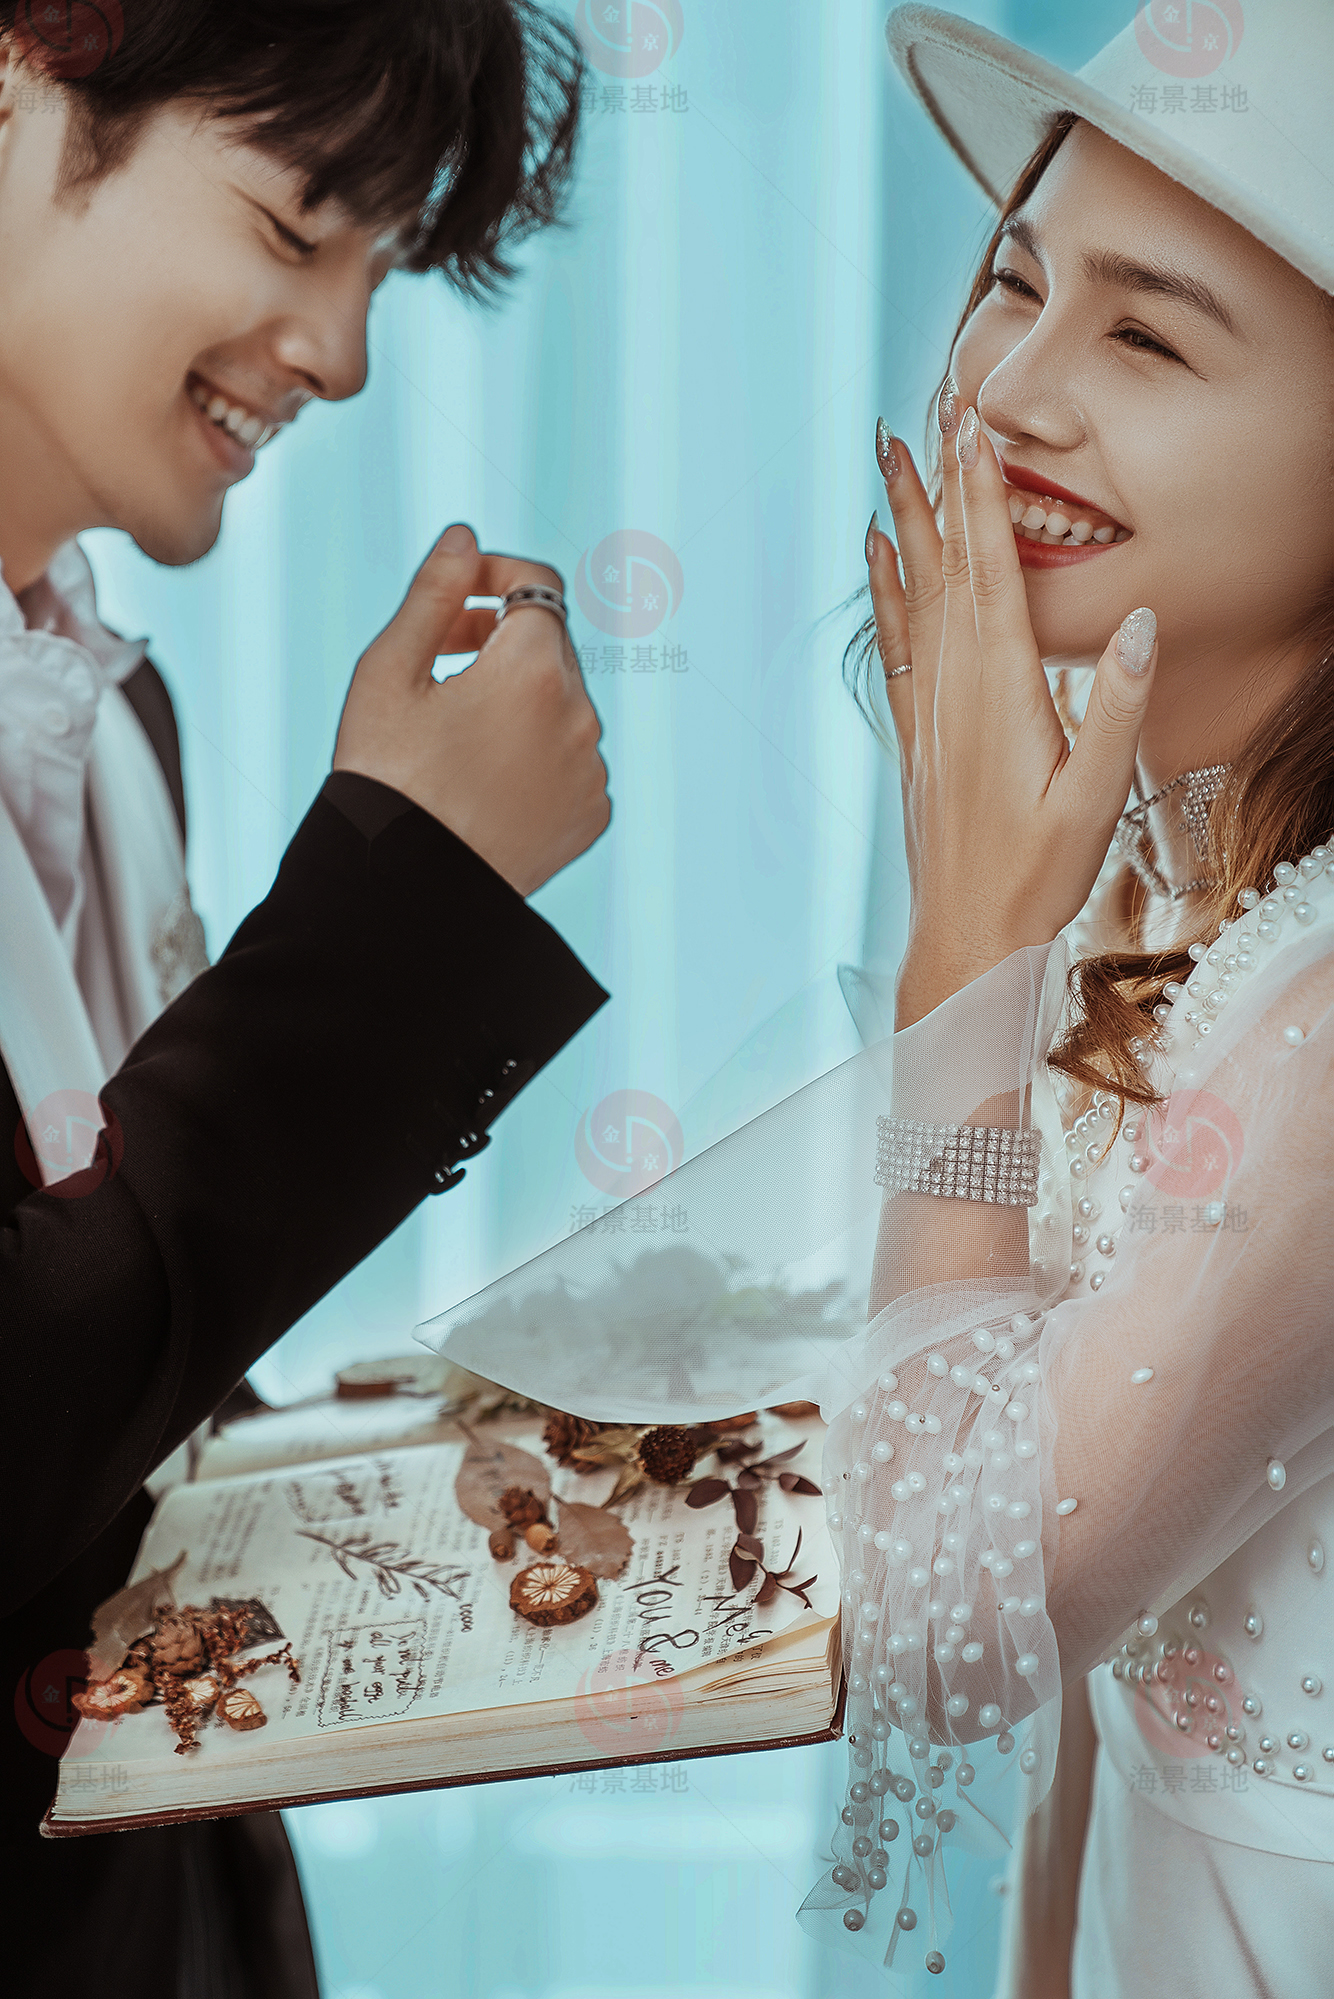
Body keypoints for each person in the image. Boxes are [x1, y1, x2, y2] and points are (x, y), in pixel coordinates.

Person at [417, 3, 1334, 1991]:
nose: (1003, 389)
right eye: (1009, 280)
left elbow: (949, 1624)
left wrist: (967, 966)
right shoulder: (1162, 889)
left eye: (1145, 338)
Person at [2, 4, 611, 1994]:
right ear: (20, 83)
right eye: (291, 228)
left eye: (380, 267)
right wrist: (402, 903)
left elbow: (118, 1354)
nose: (343, 356)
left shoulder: (115, 721)